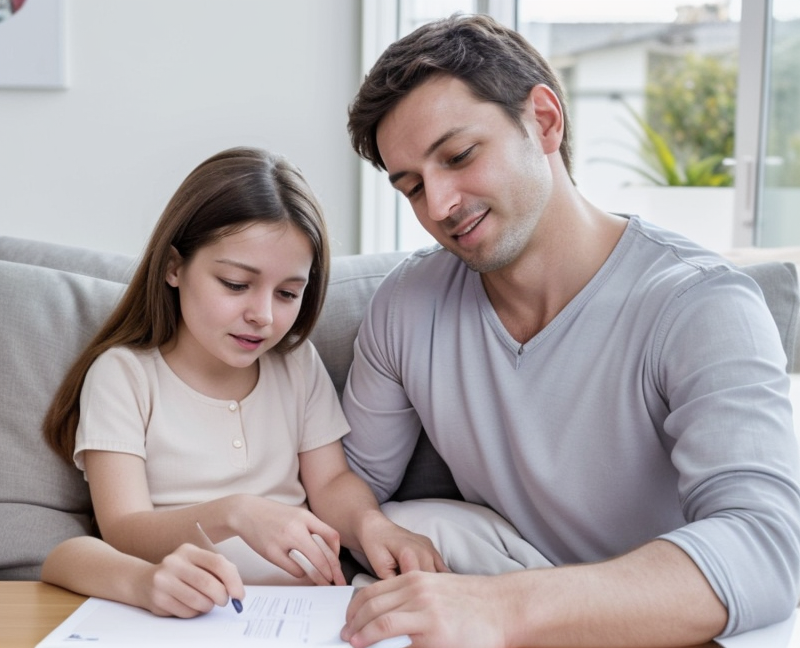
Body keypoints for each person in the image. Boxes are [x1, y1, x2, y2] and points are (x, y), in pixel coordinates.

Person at [338, 13, 800, 648]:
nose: (440, 204)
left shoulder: (700, 304)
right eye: (413, 186)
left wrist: (499, 609)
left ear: (544, 121)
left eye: (459, 156)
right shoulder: (406, 307)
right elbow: (350, 483)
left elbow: (764, 546)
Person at [40, 146, 446, 618]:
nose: (263, 315)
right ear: (174, 267)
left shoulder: (295, 362)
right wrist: (236, 513)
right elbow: (124, 529)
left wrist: (371, 525)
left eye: (288, 293)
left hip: (308, 611)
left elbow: (331, 482)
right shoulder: (125, 374)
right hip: (193, 614)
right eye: (235, 284)